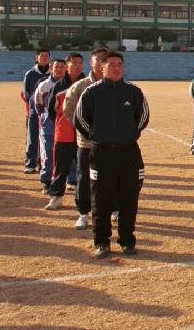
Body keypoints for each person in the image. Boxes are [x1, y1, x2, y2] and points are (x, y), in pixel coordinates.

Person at [73, 51, 149, 258]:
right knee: (101, 199)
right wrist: (97, 136)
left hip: (129, 152)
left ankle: (127, 241)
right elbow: (79, 119)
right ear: (102, 68)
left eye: (119, 64)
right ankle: (102, 242)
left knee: (128, 198)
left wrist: (130, 134)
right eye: (112, 64)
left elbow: (142, 117)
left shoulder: (134, 92)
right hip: (101, 153)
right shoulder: (92, 92)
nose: (117, 67)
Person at [63, 47, 108, 230]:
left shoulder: (117, 86)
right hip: (86, 142)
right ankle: (83, 213)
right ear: (91, 62)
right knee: (84, 178)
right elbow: (69, 110)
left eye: (104, 58)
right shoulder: (80, 86)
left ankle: (113, 208)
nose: (100, 62)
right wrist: (87, 129)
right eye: (97, 59)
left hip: (110, 143)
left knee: (110, 177)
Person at [44, 53, 85, 211]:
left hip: (85, 135)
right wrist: (63, 124)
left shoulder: (87, 84)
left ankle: (87, 200)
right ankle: (56, 197)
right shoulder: (59, 86)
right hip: (64, 134)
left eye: (80, 63)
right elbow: (51, 110)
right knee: (61, 167)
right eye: (74, 62)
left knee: (86, 169)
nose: (77, 66)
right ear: (67, 65)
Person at [34, 58, 67, 194]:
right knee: (47, 154)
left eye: (61, 67)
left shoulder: (70, 85)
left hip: (65, 125)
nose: (59, 69)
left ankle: (71, 180)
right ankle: (47, 182)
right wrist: (45, 117)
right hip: (48, 125)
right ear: (51, 68)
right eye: (56, 67)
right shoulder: (44, 85)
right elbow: (38, 104)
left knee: (67, 154)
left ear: (65, 68)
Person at [21, 49, 50, 173]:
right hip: (34, 111)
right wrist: (34, 105)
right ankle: (30, 163)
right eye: (41, 56)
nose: (44, 58)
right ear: (37, 57)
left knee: (46, 138)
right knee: (32, 137)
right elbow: (26, 93)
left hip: (49, 112)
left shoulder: (53, 73)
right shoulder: (30, 73)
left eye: (46, 56)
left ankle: (43, 163)